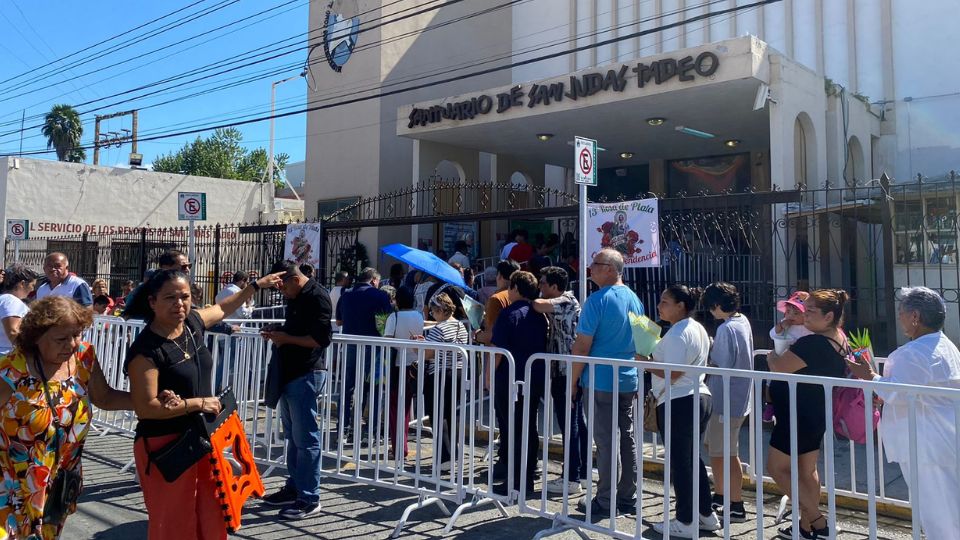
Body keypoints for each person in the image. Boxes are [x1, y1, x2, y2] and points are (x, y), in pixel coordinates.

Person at [126, 269, 282, 537]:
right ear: (152, 302)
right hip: (166, 446)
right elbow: (146, 407)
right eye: (170, 298)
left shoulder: (191, 323)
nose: (179, 304)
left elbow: (223, 308)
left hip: (202, 440)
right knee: (175, 525)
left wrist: (255, 286)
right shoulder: (146, 350)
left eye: (185, 296)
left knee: (211, 518)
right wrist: (196, 403)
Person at [0, 296, 138, 539]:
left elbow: (104, 398)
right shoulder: (14, 367)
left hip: (59, 485)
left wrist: (150, 401)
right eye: (61, 339)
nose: (72, 344)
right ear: (36, 337)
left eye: (77, 335)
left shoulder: (84, 357)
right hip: (12, 485)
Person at [846, 287, 960, 539]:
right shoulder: (946, 346)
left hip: (925, 443)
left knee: (937, 514)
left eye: (902, 313)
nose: (900, 318)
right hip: (941, 438)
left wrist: (869, 376)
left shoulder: (912, 353)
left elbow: (898, 393)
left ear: (915, 317)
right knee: (948, 508)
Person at [766, 289, 849, 539]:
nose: (805, 315)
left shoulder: (813, 343)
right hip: (813, 412)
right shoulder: (839, 338)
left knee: (777, 468)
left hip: (797, 413)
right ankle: (805, 527)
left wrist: (771, 356)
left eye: (811, 311)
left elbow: (780, 367)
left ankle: (818, 521)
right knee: (806, 470)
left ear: (829, 316)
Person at [569, 248, 643, 515]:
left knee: (606, 440)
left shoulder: (597, 300)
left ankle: (605, 499)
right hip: (627, 378)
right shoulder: (635, 299)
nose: (590, 268)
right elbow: (642, 343)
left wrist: (573, 380)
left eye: (596, 264)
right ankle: (626, 495)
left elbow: (581, 346)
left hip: (601, 380)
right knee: (626, 438)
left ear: (611, 269)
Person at [644, 285, 720, 536]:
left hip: (681, 400)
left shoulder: (678, 333)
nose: (659, 306)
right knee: (690, 459)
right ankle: (704, 515)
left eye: (665, 302)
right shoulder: (695, 328)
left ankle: (685, 520)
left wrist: (644, 363)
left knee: (681, 462)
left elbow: (673, 372)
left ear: (681, 306)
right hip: (696, 397)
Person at [259, 263, 332, 520]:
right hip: (291, 374)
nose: (280, 291)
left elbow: (320, 339)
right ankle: (295, 488)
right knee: (294, 437)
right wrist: (278, 333)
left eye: (281, 285)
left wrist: (285, 338)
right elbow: (297, 330)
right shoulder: (297, 297)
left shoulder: (317, 296)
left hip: (307, 373)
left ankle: (309, 497)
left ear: (294, 279)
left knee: (306, 439)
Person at [491, 271, 548, 495]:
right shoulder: (538, 314)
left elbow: (497, 350)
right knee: (529, 426)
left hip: (509, 378)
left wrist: (487, 377)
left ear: (515, 288)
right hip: (533, 377)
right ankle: (528, 475)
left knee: (512, 428)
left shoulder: (508, 314)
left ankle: (515, 481)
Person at [701, 282, 753, 523]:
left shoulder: (725, 329)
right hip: (739, 397)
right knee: (725, 451)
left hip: (725, 399)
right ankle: (723, 495)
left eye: (711, 308)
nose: (711, 313)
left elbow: (718, 363)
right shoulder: (742, 321)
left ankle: (735, 504)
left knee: (722, 454)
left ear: (718, 306)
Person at [533, 266, 588, 495]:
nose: (540, 288)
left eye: (543, 283)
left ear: (555, 286)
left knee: (570, 423)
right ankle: (582, 472)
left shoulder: (565, 301)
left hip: (567, 370)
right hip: (565, 369)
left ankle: (571, 477)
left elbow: (538, 305)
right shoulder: (566, 301)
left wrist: (527, 297)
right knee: (576, 422)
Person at [335, 267, 393, 438]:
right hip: (373, 345)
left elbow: (339, 320)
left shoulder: (346, 294)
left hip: (350, 344)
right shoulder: (380, 295)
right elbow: (385, 323)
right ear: (374, 280)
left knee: (347, 387)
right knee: (373, 388)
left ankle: (343, 427)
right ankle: (371, 430)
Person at [417, 292, 469, 470]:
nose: (431, 314)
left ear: (439, 309)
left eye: (432, 311)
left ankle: (444, 457)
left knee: (438, 416)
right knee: (451, 414)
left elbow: (428, 354)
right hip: (458, 372)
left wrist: (418, 346)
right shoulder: (460, 326)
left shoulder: (439, 329)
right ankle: (452, 454)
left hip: (439, 374)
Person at [383, 287, 424, 460]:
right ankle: (403, 446)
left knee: (396, 408)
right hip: (415, 364)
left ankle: (399, 448)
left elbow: (387, 340)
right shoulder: (419, 316)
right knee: (407, 406)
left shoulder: (394, 316)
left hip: (398, 365)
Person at [763, 291, 813, 423]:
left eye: (796, 313)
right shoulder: (784, 324)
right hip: (780, 357)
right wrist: (780, 326)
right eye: (788, 311)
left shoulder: (808, 328)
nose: (791, 315)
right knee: (770, 382)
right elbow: (772, 334)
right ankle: (769, 405)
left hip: (796, 363)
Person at [123, 250, 190, 320]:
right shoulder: (151, 288)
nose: (187, 270)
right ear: (165, 267)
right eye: (183, 266)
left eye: (189, 266)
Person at [476, 260, 519, 345]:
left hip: (498, 353)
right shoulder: (521, 295)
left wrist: (476, 335)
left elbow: (491, 336)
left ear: (499, 276)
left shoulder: (496, 299)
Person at [0, 264, 40, 355]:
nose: (33, 289)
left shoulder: (4, 299)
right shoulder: (11, 301)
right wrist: (31, 351)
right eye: (32, 285)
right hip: (7, 356)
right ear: (22, 284)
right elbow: (13, 331)